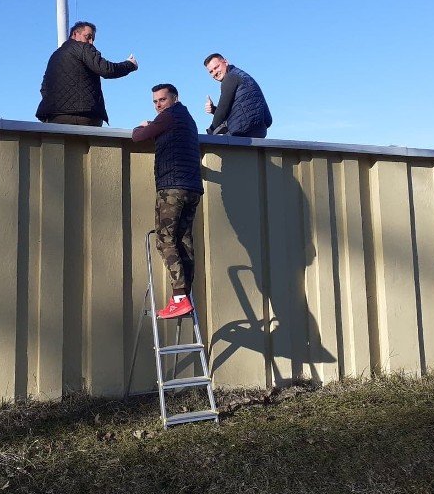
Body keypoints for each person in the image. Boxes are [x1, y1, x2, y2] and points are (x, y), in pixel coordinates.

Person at [132, 84, 204, 319]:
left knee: (164, 240)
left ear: (175, 98)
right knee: (183, 239)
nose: (158, 105)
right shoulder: (188, 119)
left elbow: (138, 137)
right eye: (155, 101)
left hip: (172, 188)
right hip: (192, 188)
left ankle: (180, 298)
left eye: (162, 99)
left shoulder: (169, 117)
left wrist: (144, 126)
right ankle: (186, 295)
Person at [36, 21, 138, 126]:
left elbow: (44, 88)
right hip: (84, 116)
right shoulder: (82, 47)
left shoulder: (54, 56)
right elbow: (107, 70)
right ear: (75, 34)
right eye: (88, 37)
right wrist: (130, 65)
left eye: (93, 39)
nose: (91, 42)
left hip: (54, 118)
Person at [203, 53, 272, 138]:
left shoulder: (231, 78)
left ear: (225, 62)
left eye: (216, 67)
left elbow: (222, 111)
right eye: (211, 72)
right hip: (260, 134)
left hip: (241, 135)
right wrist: (214, 110)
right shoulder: (244, 77)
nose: (215, 73)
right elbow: (268, 119)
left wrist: (210, 132)